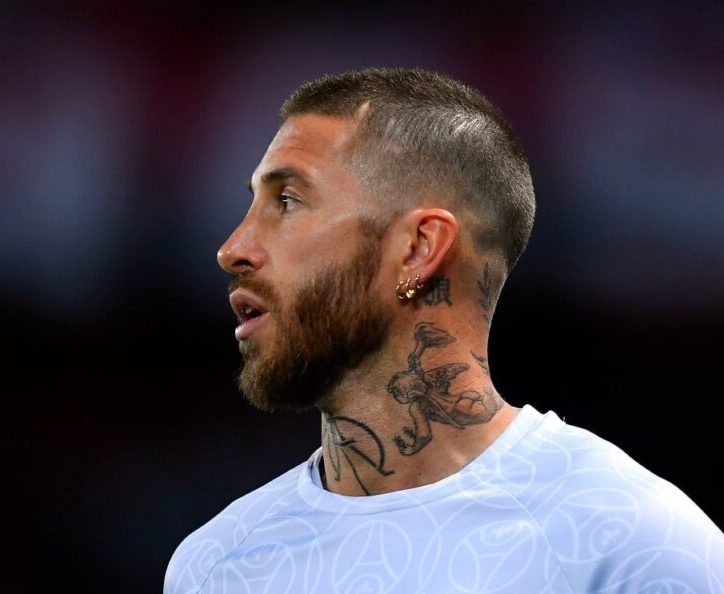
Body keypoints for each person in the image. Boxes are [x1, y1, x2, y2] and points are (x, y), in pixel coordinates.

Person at [165, 68, 724, 593]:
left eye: (287, 201)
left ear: (418, 249)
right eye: (253, 203)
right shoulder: (215, 565)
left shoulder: (634, 546)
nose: (232, 249)